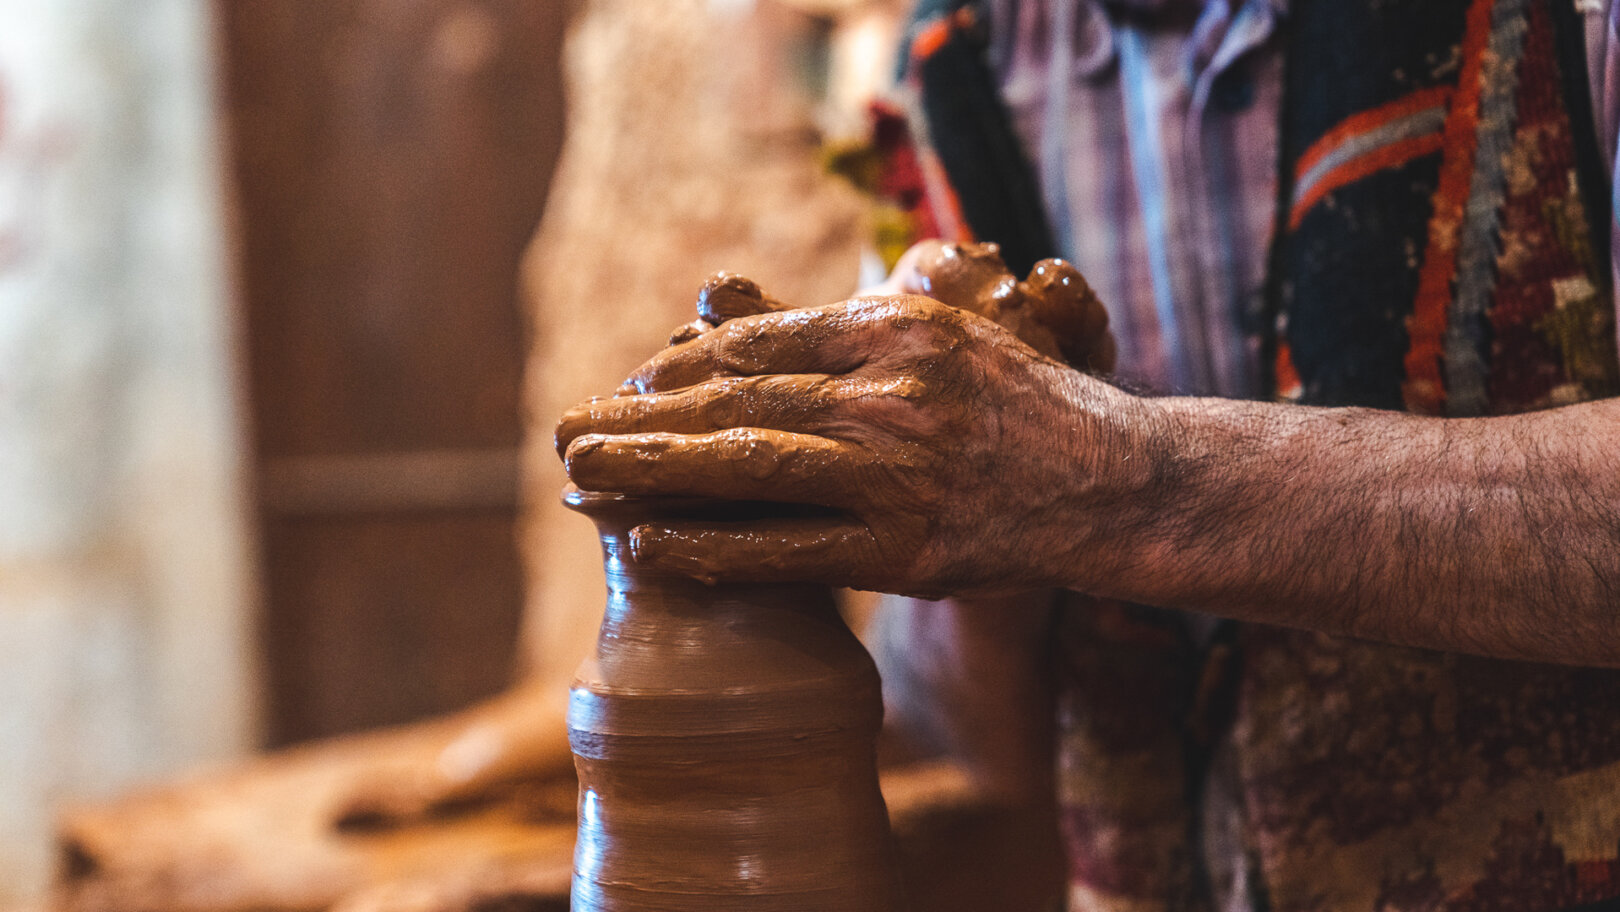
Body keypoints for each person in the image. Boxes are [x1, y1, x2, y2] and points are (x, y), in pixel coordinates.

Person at [557, 1, 1620, 910]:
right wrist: (954, 507)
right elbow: (993, 751)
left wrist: (1105, 486)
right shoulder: (964, 60)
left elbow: (1085, 488)